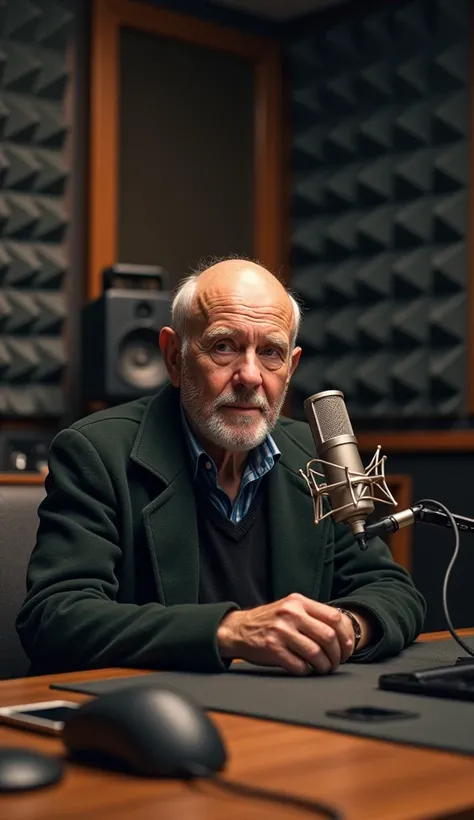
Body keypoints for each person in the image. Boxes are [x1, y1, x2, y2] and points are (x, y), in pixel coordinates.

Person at [16, 258, 425, 676]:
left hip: (286, 717)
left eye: (270, 353)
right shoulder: (97, 452)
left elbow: (393, 591)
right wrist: (229, 632)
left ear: (291, 367)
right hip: (153, 715)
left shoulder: (313, 454)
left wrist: (347, 627)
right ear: (174, 358)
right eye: (224, 346)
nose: (250, 376)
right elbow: (56, 618)